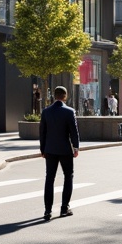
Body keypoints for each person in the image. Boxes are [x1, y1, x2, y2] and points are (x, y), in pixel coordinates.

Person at [39, 85, 80, 221]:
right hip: (65, 150)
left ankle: (47, 211)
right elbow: (74, 131)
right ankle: (64, 208)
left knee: (49, 179)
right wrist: (76, 147)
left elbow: (42, 132)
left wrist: (43, 149)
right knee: (68, 176)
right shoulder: (69, 112)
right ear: (65, 96)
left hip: (50, 149)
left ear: (54, 96)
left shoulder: (46, 112)